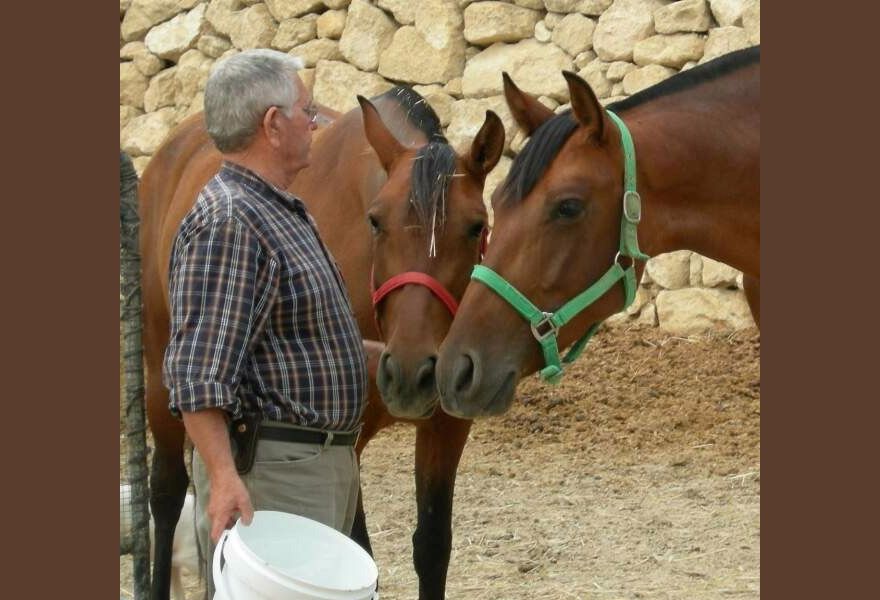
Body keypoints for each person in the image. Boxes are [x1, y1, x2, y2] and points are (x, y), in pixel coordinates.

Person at [162, 49, 368, 596]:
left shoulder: (275, 209)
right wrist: (225, 478)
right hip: (273, 477)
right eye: (306, 110)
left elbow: (302, 341)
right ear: (273, 126)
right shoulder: (230, 221)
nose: (317, 122)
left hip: (311, 465)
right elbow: (196, 372)